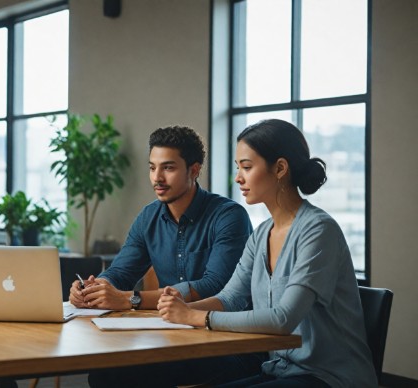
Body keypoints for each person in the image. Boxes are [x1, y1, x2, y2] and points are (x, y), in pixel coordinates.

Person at [158, 119, 376, 387]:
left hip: (328, 377)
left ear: (280, 168)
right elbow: (230, 298)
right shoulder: (261, 234)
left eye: (247, 167)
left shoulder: (319, 230)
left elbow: (283, 319)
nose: (238, 177)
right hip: (278, 369)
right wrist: (179, 309)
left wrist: (195, 316)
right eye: (238, 168)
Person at [77, 126, 264, 387]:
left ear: (194, 170)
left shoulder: (228, 216)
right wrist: (96, 288)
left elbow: (216, 285)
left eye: (168, 168)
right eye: (152, 168)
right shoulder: (148, 217)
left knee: (124, 374)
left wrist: (130, 300)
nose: (157, 178)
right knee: (105, 371)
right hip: (173, 336)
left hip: (229, 343)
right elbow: (121, 272)